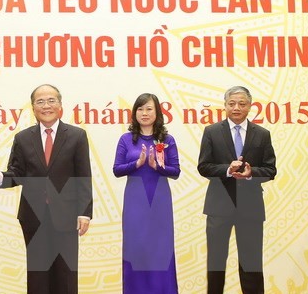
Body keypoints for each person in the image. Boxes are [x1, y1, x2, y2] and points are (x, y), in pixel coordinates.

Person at [0, 84, 93, 294]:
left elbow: (83, 177)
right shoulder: (23, 138)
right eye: (40, 101)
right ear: (33, 107)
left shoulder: (76, 135)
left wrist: (85, 213)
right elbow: (17, 173)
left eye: (51, 100)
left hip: (66, 215)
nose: (46, 106)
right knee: (38, 275)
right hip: (33, 216)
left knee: (66, 274)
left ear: (60, 105)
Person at [197, 86, 277, 294]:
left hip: (250, 208)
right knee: (215, 263)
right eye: (231, 103)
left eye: (242, 104)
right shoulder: (212, 132)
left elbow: (271, 170)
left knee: (251, 263)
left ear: (250, 106)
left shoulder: (262, 134)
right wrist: (227, 170)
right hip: (218, 206)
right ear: (225, 106)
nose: (236, 108)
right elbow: (203, 167)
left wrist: (250, 173)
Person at [113, 93, 181, 294]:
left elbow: (175, 171)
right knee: (136, 250)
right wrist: (138, 163)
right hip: (135, 202)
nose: (144, 113)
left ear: (157, 112)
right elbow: (117, 170)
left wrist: (157, 166)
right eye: (140, 109)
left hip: (159, 201)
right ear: (135, 113)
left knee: (160, 250)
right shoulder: (126, 139)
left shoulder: (167, 139)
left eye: (149, 109)